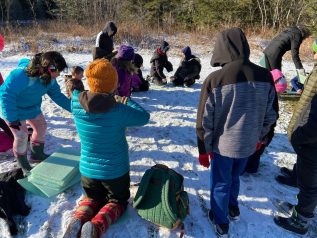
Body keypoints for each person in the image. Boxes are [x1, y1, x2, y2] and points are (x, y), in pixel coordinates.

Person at [196, 28, 277, 237]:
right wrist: (262, 138)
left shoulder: (215, 79)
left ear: (222, 48)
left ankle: (221, 220)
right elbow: (271, 114)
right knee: (235, 177)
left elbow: (205, 121)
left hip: (224, 146)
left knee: (221, 182)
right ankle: (232, 207)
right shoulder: (265, 76)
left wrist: (204, 148)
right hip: (250, 144)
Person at [63, 58, 150, 238]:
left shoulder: (76, 103)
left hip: (87, 172)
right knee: (117, 202)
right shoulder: (118, 109)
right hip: (115, 172)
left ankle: (77, 221)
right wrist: (125, 100)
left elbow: (75, 89)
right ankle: (96, 227)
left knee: (92, 199)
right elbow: (144, 117)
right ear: (113, 84)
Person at [0, 51, 70, 175]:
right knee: (21, 136)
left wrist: (75, 109)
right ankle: (23, 163)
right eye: (57, 71)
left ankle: (37, 154)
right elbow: (6, 95)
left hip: (32, 107)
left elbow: (58, 96)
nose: (58, 75)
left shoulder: (50, 79)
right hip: (14, 109)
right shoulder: (20, 75)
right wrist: (12, 118)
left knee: (41, 127)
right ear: (49, 68)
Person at [274, 39, 317, 235]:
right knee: (307, 180)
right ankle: (302, 210)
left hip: (312, 140)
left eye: (316, 51)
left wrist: (300, 136)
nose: (314, 55)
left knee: (310, 184)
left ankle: (301, 221)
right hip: (308, 138)